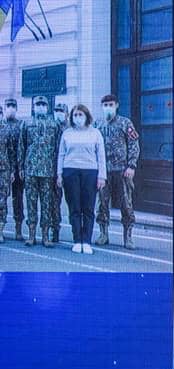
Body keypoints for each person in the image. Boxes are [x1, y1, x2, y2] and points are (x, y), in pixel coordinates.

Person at [57, 105, 106, 254]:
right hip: (70, 172)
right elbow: (61, 154)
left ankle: (87, 241)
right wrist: (59, 174)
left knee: (88, 208)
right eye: (75, 115)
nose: (78, 118)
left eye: (81, 115)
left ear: (86, 116)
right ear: (71, 117)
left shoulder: (95, 133)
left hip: (90, 173)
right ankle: (77, 240)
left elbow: (101, 156)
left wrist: (102, 176)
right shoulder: (67, 133)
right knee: (75, 207)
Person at [94, 94, 139, 249]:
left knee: (126, 204)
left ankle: (128, 237)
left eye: (111, 104)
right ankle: (103, 234)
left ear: (116, 105)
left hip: (122, 171)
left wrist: (131, 165)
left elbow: (134, 144)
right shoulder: (97, 124)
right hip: (104, 172)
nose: (108, 107)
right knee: (102, 204)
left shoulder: (125, 123)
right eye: (105, 105)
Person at [19, 96, 60, 247]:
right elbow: (21, 146)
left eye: (43, 104)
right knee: (31, 203)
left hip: (48, 171)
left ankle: (45, 236)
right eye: (38, 104)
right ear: (33, 106)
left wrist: (57, 170)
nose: (40, 106)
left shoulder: (54, 124)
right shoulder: (26, 123)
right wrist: (21, 167)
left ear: (47, 107)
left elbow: (58, 149)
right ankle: (31, 235)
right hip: (30, 169)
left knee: (46, 204)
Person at [0, 98, 25, 243]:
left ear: (16, 108)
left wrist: (20, 168)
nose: (10, 108)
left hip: (17, 168)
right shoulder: (2, 125)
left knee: (18, 199)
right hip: (4, 168)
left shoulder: (21, 125)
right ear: (5, 108)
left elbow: (22, 147)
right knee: (2, 199)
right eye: (8, 106)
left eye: (13, 106)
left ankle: (18, 229)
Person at [50, 102, 69, 243]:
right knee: (54, 202)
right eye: (56, 110)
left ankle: (78, 232)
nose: (58, 113)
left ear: (67, 114)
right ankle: (55, 229)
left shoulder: (71, 129)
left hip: (69, 170)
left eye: (61, 111)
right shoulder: (50, 127)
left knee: (74, 202)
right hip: (53, 170)